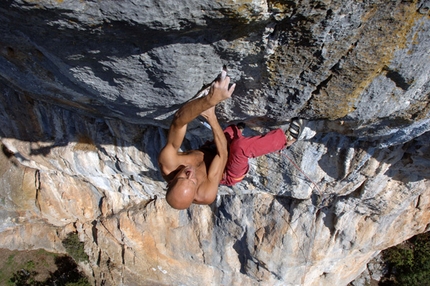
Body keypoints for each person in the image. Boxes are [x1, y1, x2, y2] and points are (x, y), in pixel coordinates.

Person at [158, 69, 303, 209]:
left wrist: (209, 100)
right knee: (240, 147)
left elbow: (178, 122)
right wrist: (211, 116)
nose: (190, 172)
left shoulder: (169, 163)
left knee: (229, 132)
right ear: (196, 190)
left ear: (170, 182)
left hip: (211, 151)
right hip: (227, 171)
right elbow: (223, 155)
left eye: (183, 177)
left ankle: (234, 133)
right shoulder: (206, 194)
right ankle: (286, 140)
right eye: (193, 181)